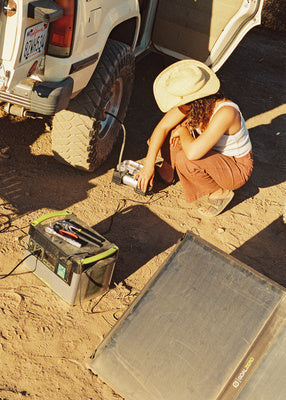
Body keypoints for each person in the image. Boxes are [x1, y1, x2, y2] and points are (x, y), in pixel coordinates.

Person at [135, 59, 253, 216]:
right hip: (213, 153)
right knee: (170, 132)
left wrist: (183, 131)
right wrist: (148, 165)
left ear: (195, 102)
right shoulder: (198, 105)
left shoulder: (226, 113)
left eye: (181, 103)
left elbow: (192, 154)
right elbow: (161, 129)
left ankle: (220, 192)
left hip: (236, 167)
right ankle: (166, 172)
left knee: (186, 158)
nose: (178, 106)